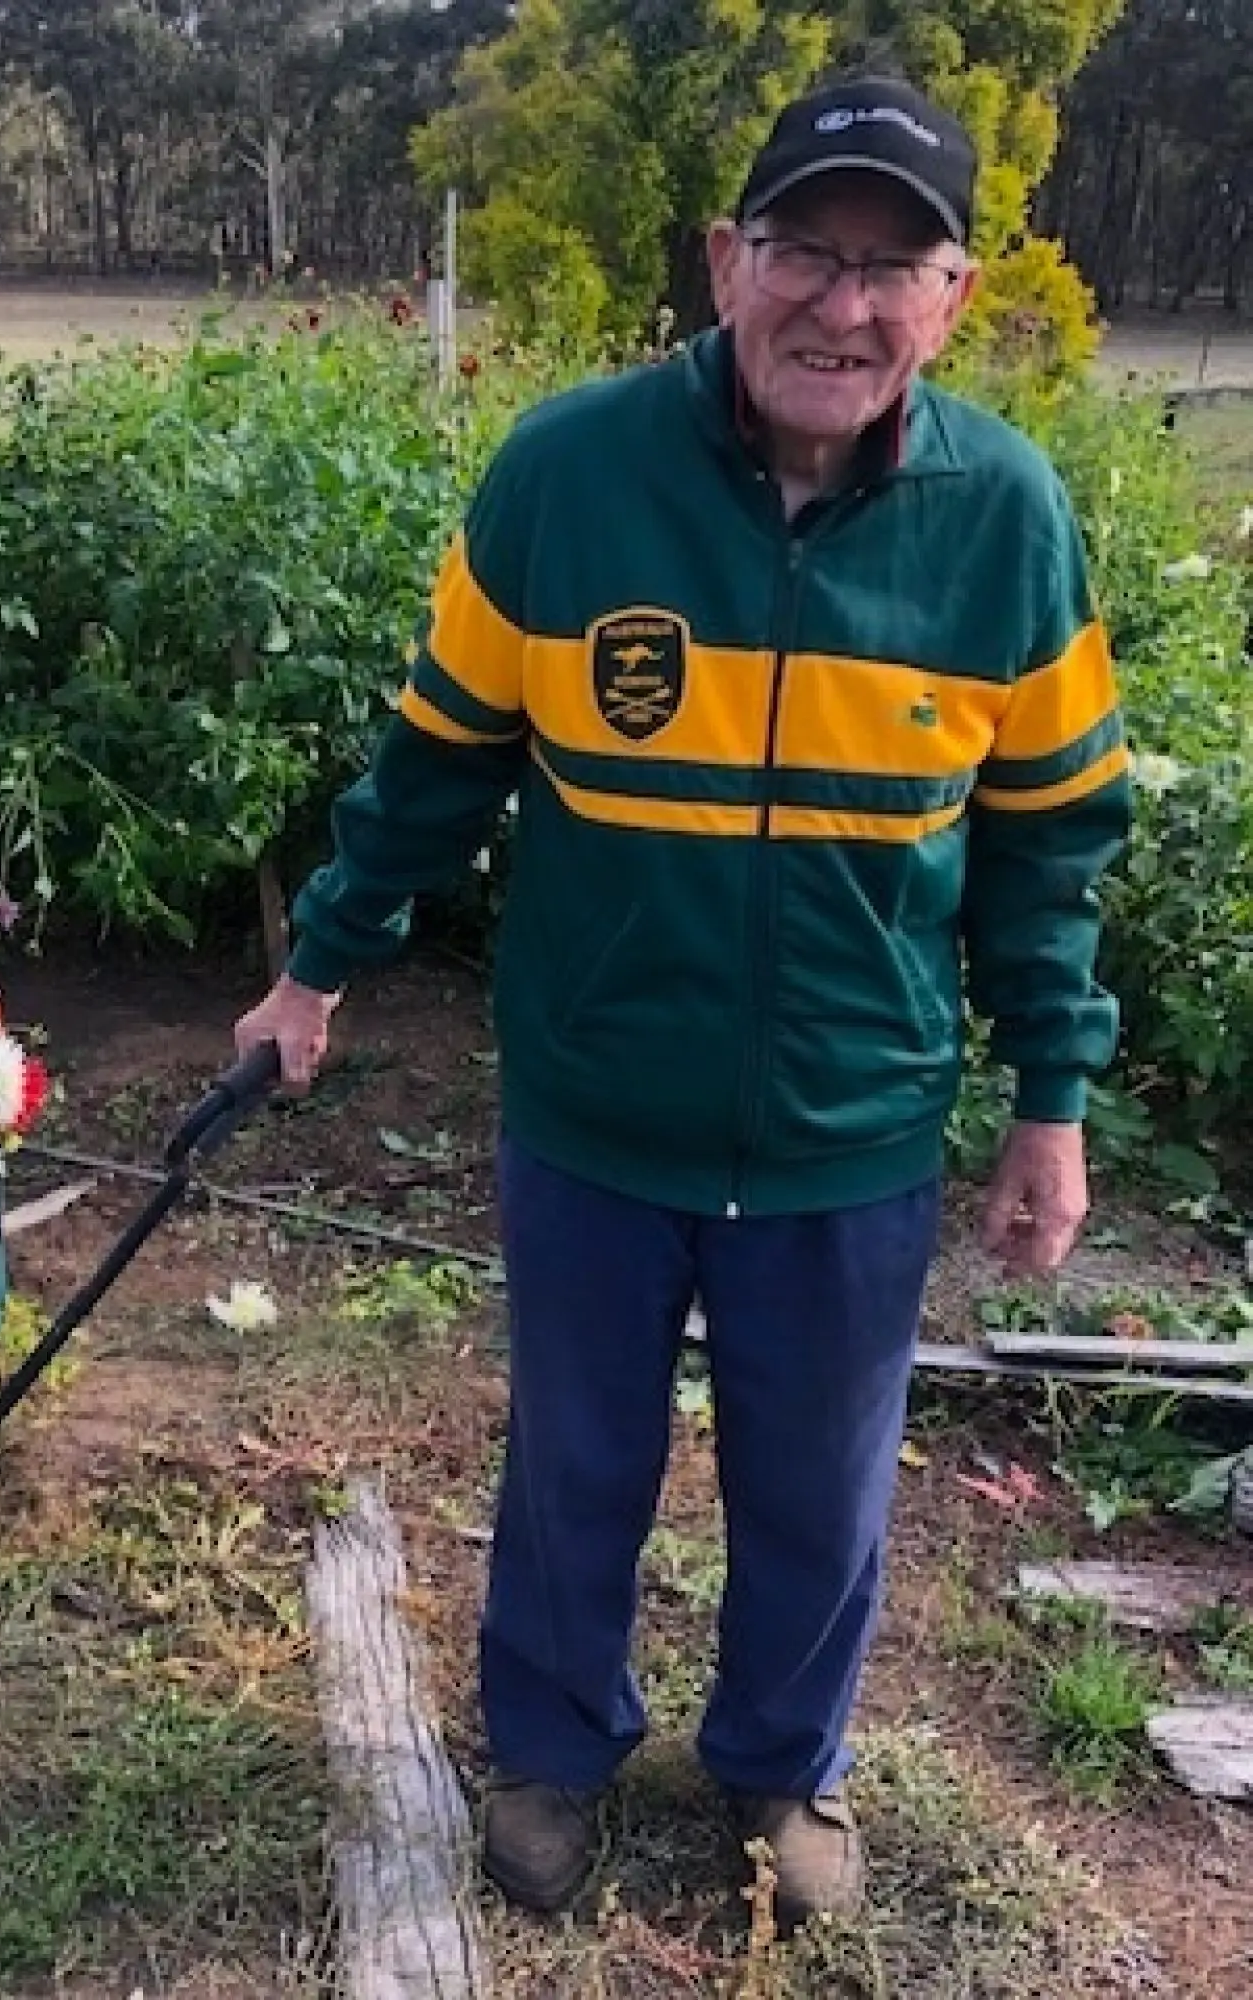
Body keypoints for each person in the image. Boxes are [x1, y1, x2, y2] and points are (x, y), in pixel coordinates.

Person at [233, 74, 1131, 1931]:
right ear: (729, 262)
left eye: (896, 266)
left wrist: (1052, 1092)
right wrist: (312, 971)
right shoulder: (566, 476)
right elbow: (432, 767)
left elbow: (1050, 846)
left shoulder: (1005, 518)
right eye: (806, 249)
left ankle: (781, 1773)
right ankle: (551, 1750)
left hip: (849, 1128)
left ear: (953, 300)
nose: (843, 305)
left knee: (818, 1493)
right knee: (578, 1461)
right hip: (597, 1109)